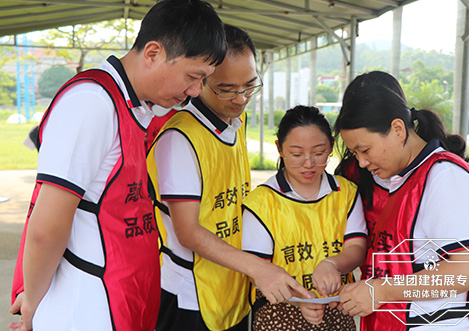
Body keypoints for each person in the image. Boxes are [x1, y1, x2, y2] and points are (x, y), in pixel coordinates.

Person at [9, 1, 226, 330]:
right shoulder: (91, 103)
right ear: (152, 53)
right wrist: (34, 303)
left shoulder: (137, 106)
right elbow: (45, 229)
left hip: (120, 296)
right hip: (86, 306)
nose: (195, 92)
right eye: (193, 77)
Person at [147, 24, 311, 331]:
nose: (240, 98)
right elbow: (188, 232)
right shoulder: (179, 140)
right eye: (226, 89)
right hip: (192, 293)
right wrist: (258, 268)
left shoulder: (237, 121)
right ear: (199, 80)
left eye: (249, 86)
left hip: (234, 283)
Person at [331, 75, 469, 330]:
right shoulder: (402, 178)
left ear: (398, 129)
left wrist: (380, 291)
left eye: (365, 150)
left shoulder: (444, 178)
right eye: (355, 153)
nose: (360, 163)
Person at [335, 71, 469, 244]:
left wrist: (467, 246)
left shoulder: (444, 172)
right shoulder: (353, 171)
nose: (363, 162)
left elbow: (468, 263)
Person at [241, 105, 368, 330]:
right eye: (297, 154)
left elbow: (357, 247)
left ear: (331, 145)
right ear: (280, 149)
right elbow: (257, 271)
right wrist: (298, 299)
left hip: (337, 311)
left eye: (318, 153)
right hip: (279, 313)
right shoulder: (261, 202)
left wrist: (332, 264)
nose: (308, 163)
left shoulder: (346, 192)